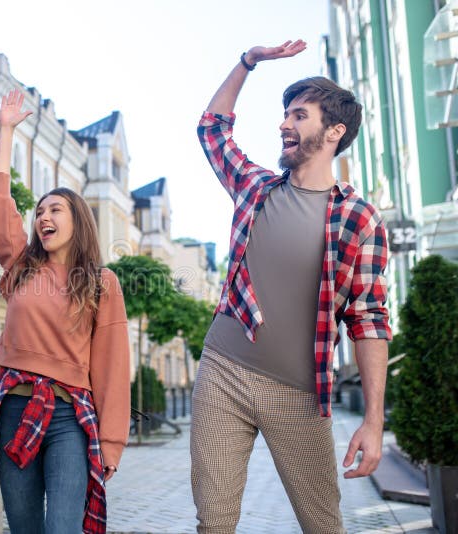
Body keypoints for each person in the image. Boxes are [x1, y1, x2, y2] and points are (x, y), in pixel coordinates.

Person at [192, 41, 391, 533]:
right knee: (213, 523)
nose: (284, 123)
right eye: (285, 115)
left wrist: (372, 420)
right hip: (223, 372)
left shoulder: (358, 219)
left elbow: (368, 319)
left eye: (299, 115)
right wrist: (247, 62)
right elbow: (212, 130)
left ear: (334, 131)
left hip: (300, 393)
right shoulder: (256, 188)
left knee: (323, 524)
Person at [0, 90, 131, 534]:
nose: (43, 218)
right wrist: (7, 130)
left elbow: (111, 366)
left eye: (55, 209)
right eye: (39, 212)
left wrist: (110, 442)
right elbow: (0, 208)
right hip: (14, 410)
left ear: (78, 220)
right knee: (25, 528)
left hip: (71, 416)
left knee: (63, 529)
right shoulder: (21, 267)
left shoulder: (101, 282)